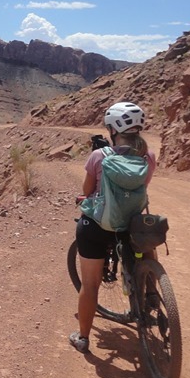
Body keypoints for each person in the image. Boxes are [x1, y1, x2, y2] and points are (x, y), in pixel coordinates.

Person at [69, 101, 157, 353]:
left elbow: (87, 191)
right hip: (131, 225)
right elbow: (142, 187)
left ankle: (83, 338)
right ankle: (151, 291)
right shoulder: (148, 157)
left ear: (112, 129)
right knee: (146, 243)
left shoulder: (99, 156)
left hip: (98, 226)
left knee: (90, 284)